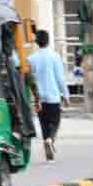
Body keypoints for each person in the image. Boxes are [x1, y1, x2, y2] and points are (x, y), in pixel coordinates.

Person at [27, 29, 70, 162]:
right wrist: (66, 95)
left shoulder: (31, 59)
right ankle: (50, 139)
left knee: (44, 123)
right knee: (55, 122)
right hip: (53, 96)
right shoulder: (55, 57)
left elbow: (28, 78)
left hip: (39, 99)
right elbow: (60, 78)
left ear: (36, 42)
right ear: (48, 41)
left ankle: (48, 149)